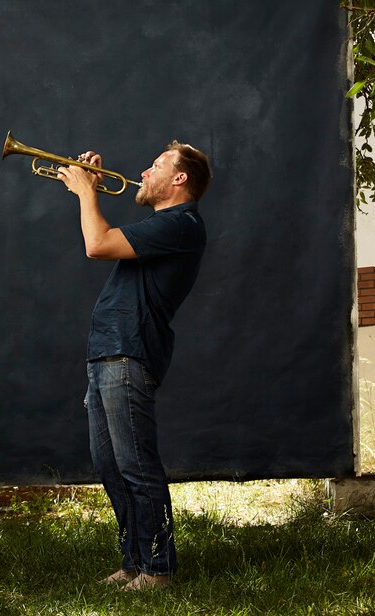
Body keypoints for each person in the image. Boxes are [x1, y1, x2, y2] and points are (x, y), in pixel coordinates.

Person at [57, 140, 212, 590]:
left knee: (137, 466)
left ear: (179, 179)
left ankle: (158, 569)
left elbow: (97, 245)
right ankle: (134, 561)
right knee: (110, 467)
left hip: (130, 351)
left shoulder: (183, 224)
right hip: (106, 351)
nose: (144, 172)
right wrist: (92, 192)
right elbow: (106, 238)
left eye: (156, 165)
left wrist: (88, 192)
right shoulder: (162, 225)